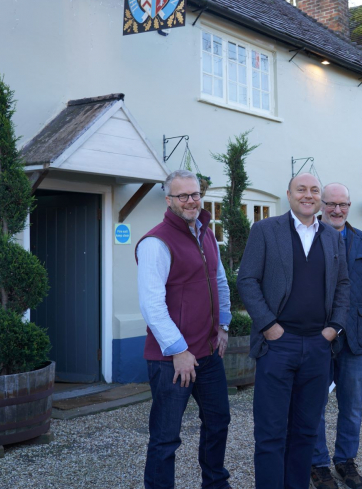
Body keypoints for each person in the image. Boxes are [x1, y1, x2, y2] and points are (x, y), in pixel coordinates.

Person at [237, 173, 350, 489]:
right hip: (277, 346)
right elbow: (247, 280)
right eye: (301, 189)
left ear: (320, 198)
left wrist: (334, 328)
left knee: (305, 430)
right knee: (271, 432)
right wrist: (269, 327)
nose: (308, 195)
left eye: (315, 190)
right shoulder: (265, 231)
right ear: (288, 194)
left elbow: (343, 283)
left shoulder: (330, 235)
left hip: (318, 347)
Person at [136, 170, 232, 489]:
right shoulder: (155, 242)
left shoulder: (206, 233)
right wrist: (178, 350)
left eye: (195, 194)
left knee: (218, 423)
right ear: (169, 200)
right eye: (182, 196)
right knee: (165, 438)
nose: (191, 201)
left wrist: (224, 324)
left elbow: (218, 280)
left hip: (207, 353)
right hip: (172, 361)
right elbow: (152, 304)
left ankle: (215, 483)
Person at [310, 183, 362, 489]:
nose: (337, 210)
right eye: (331, 204)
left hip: (356, 336)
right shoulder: (308, 239)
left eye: (343, 204)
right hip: (316, 335)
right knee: (314, 402)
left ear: (349, 206)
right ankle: (317, 463)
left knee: (352, 403)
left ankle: (345, 460)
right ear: (321, 206)